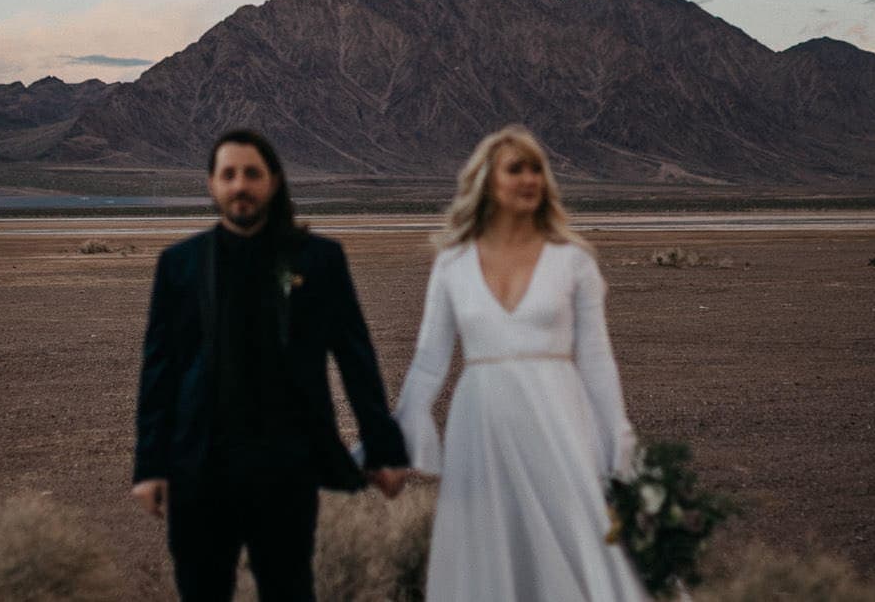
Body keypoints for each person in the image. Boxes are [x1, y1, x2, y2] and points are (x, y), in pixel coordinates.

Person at [133, 127, 410, 602]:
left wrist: (383, 448)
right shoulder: (180, 264)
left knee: (289, 590)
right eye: (229, 174)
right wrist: (149, 466)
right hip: (198, 466)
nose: (241, 185)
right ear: (212, 185)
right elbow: (160, 370)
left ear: (275, 181)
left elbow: (355, 358)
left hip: (286, 465)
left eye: (252, 174)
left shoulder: (319, 259)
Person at [394, 124, 650, 601]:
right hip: (481, 422)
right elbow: (429, 359)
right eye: (516, 169)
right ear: (488, 182)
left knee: (571, 535)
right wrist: (401, 432)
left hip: (556, 413)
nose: (530, 178)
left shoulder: (573, 261)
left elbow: (596, 359)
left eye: (537, 168)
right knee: (489, 542)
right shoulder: (453, 263)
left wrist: (618, 439)